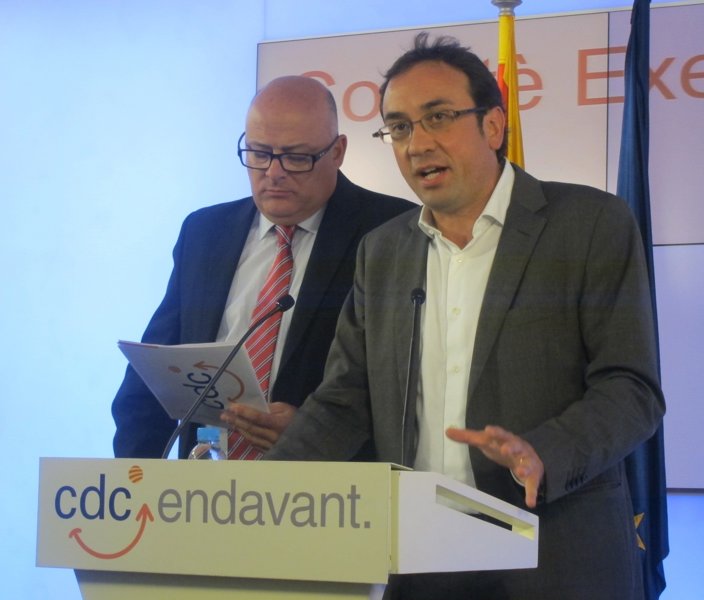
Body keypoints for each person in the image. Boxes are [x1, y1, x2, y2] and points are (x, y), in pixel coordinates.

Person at [258, 33, 665, 599]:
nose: (417, 143)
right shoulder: (382, 251)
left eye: (438, 118)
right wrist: (258, 490)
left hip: (553, 555)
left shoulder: (589, 224)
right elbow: (345, 398)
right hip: (419, 557)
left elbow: (631, 389)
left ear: (493, 126)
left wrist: (542, 453)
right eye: (399, 127)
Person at [112, 76, 414, 459]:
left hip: (333, 485)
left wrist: (317, 434)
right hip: (202, 483)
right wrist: (138, 480)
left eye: (296, 157)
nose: (273, 172)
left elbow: (408, 392)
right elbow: (152, 377)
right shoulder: (205, 232)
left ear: (337, 151)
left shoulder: (393, 232)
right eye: (258, 153)